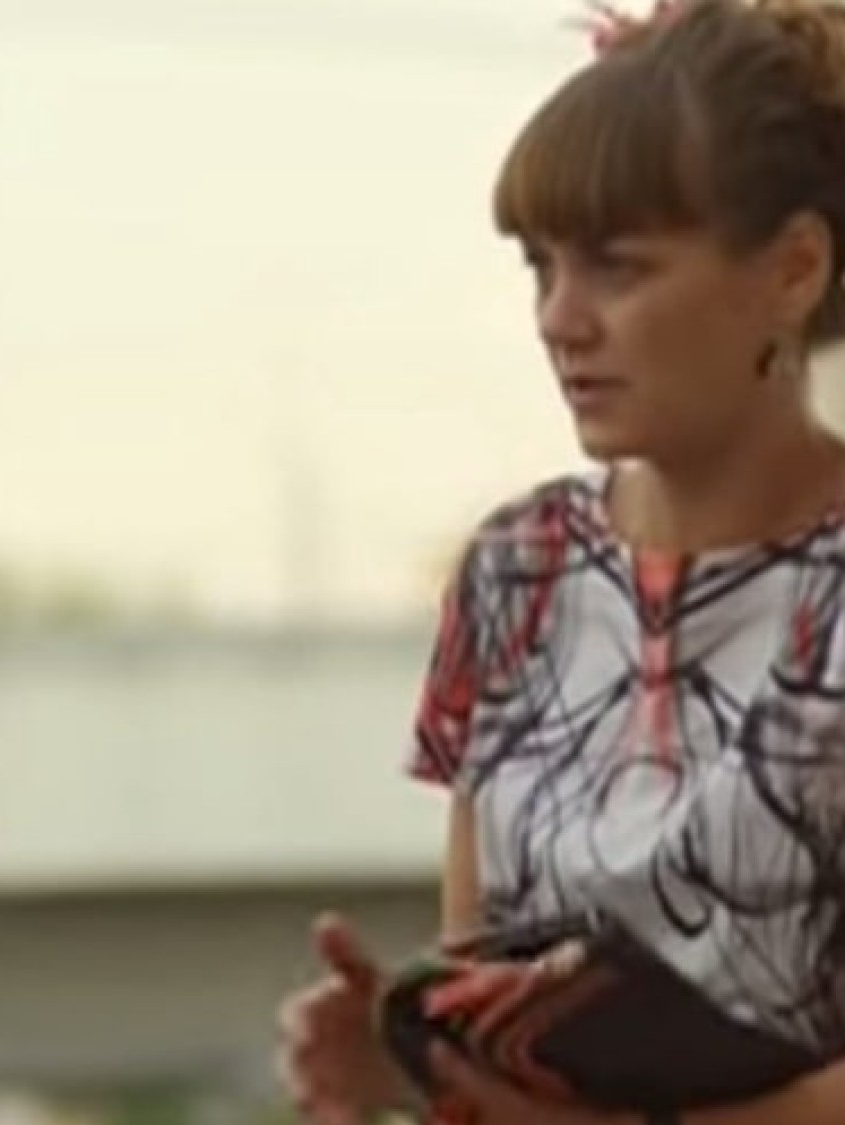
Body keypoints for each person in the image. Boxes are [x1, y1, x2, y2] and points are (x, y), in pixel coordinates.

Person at [277, 0, 845, 1123]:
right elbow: (485, 967)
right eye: (541, 268)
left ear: (793, 269)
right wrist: (415, 1059)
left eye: (617, 268)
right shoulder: (516, 572)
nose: (558, 318)